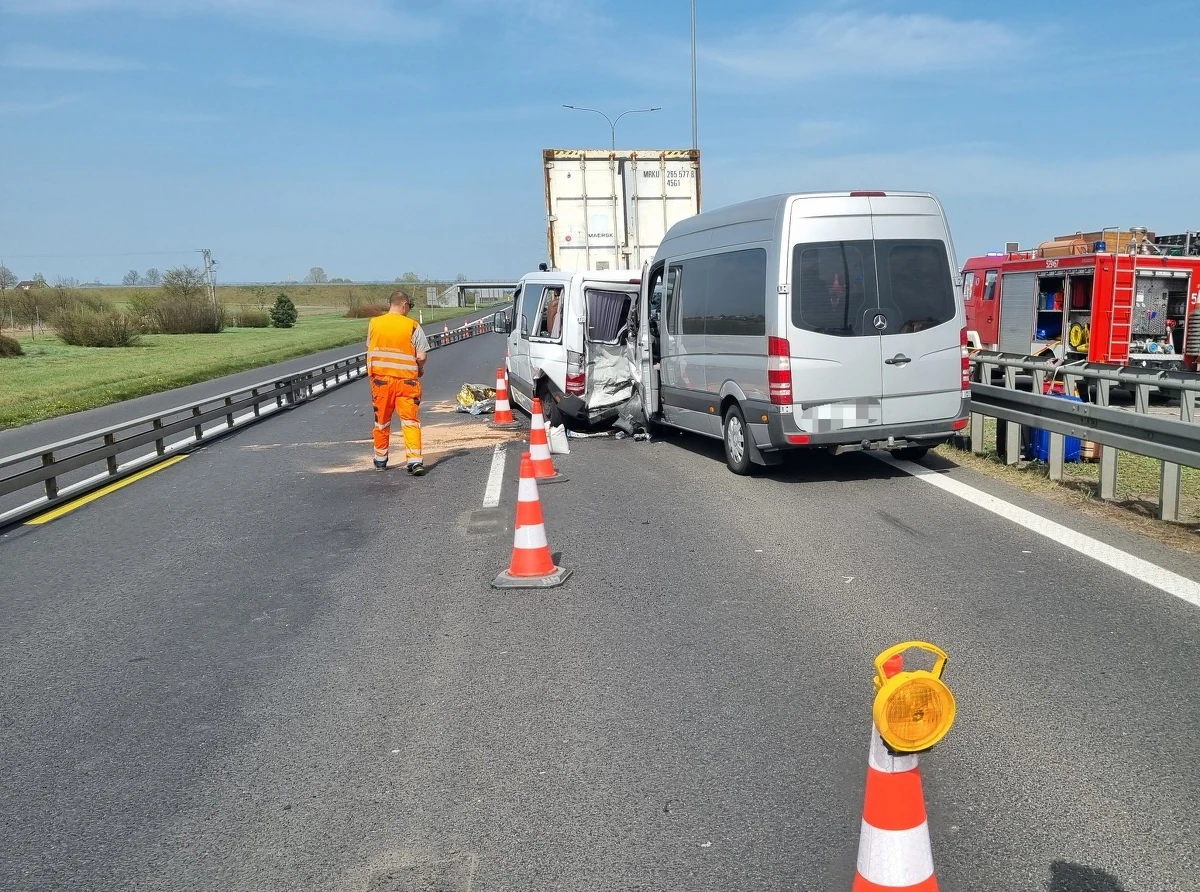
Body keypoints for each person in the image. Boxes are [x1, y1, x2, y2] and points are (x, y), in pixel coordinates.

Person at [366, 290, 429, 474]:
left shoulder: (374, 324)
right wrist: (419, 367)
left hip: (381, 382)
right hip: (407, 383)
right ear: (404, 305)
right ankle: (415, 461)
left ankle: (380, 460)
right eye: (408, 307)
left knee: (382, 421)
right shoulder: (412, 326)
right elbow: (422, 355)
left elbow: (370, 347)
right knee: (410, 421)